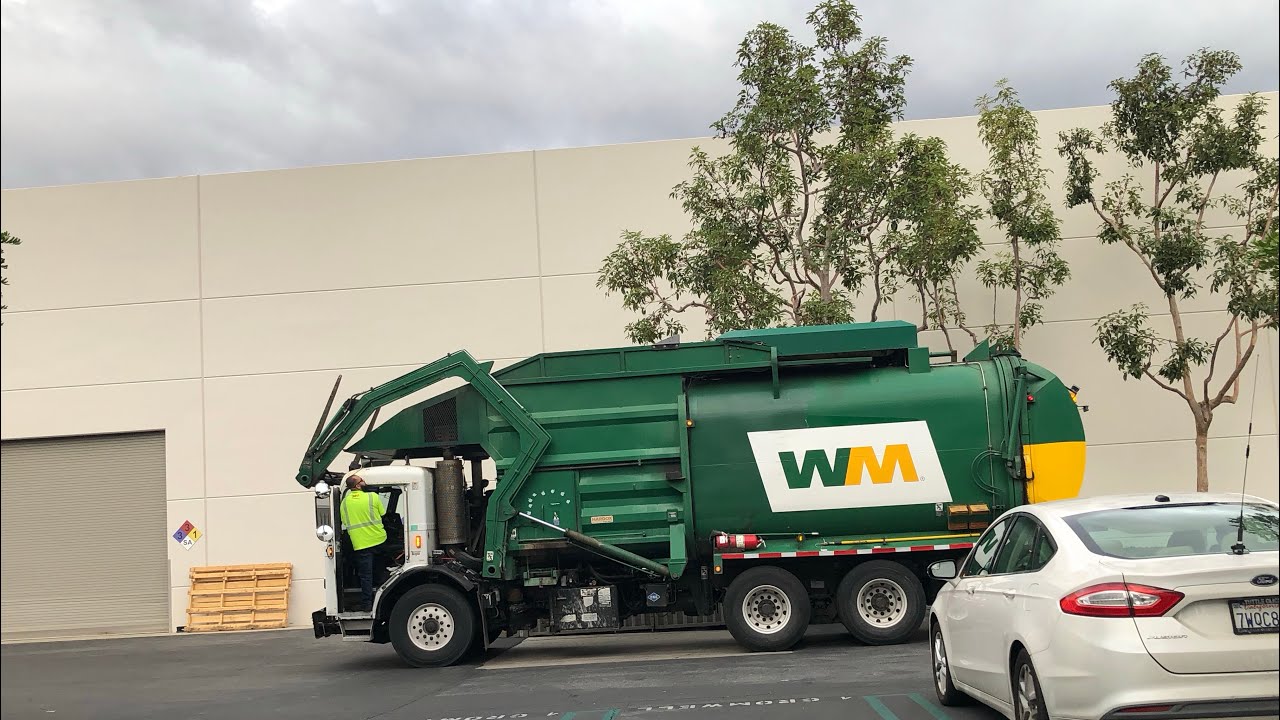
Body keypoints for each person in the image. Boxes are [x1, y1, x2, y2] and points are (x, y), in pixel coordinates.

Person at [340, 474, 387, 612]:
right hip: (379, 540)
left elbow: (344, 521)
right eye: (362, 480)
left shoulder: (344, 503)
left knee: (365, 576)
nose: (364, 481)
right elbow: (383, 514)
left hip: (360, 545)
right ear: (357, 485)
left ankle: (367, 605)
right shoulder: (372, 497)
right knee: (381, 569)